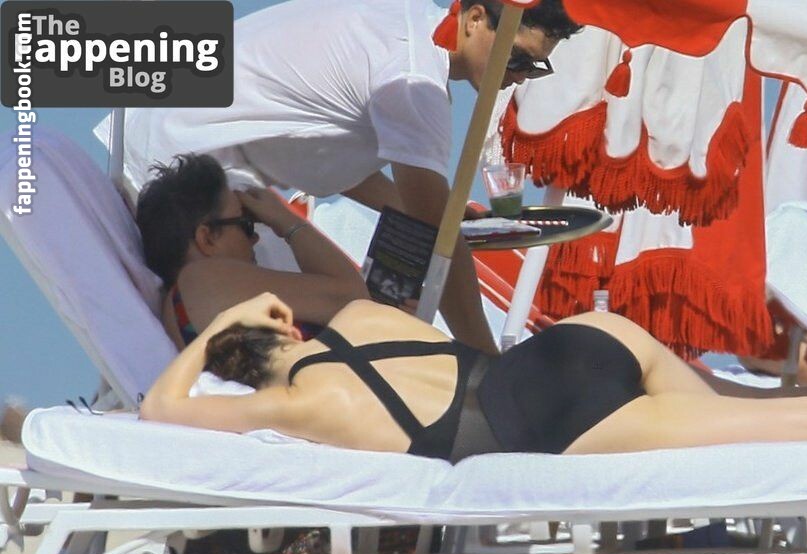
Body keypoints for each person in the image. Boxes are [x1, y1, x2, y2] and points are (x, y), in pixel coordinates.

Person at [141, 293, 807, 500]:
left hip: (553, 421)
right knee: (772, 416)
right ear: (284, 328)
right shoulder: (357, 311)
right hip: (580, 341)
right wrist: (251, 305)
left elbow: (159, 408)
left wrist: (211, 324)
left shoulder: (288, 407)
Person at [111, 0, 582, 355]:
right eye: (517, 59)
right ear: (475, 19)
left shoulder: (402, 22)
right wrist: (486, 363)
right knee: (312, 327)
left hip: (177, 136)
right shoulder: (414, 82)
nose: (520, 77)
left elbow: (320, 136)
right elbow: (439, 241)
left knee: (334, 312)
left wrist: (430, 213)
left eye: (536, 68)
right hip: (188, 170)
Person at [135, 154, 368, 349]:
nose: (255, 238)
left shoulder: (182, 308)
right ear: (207, 238)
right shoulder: (202, 281)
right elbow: (353, 300)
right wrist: (286, 220)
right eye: (246, 224)